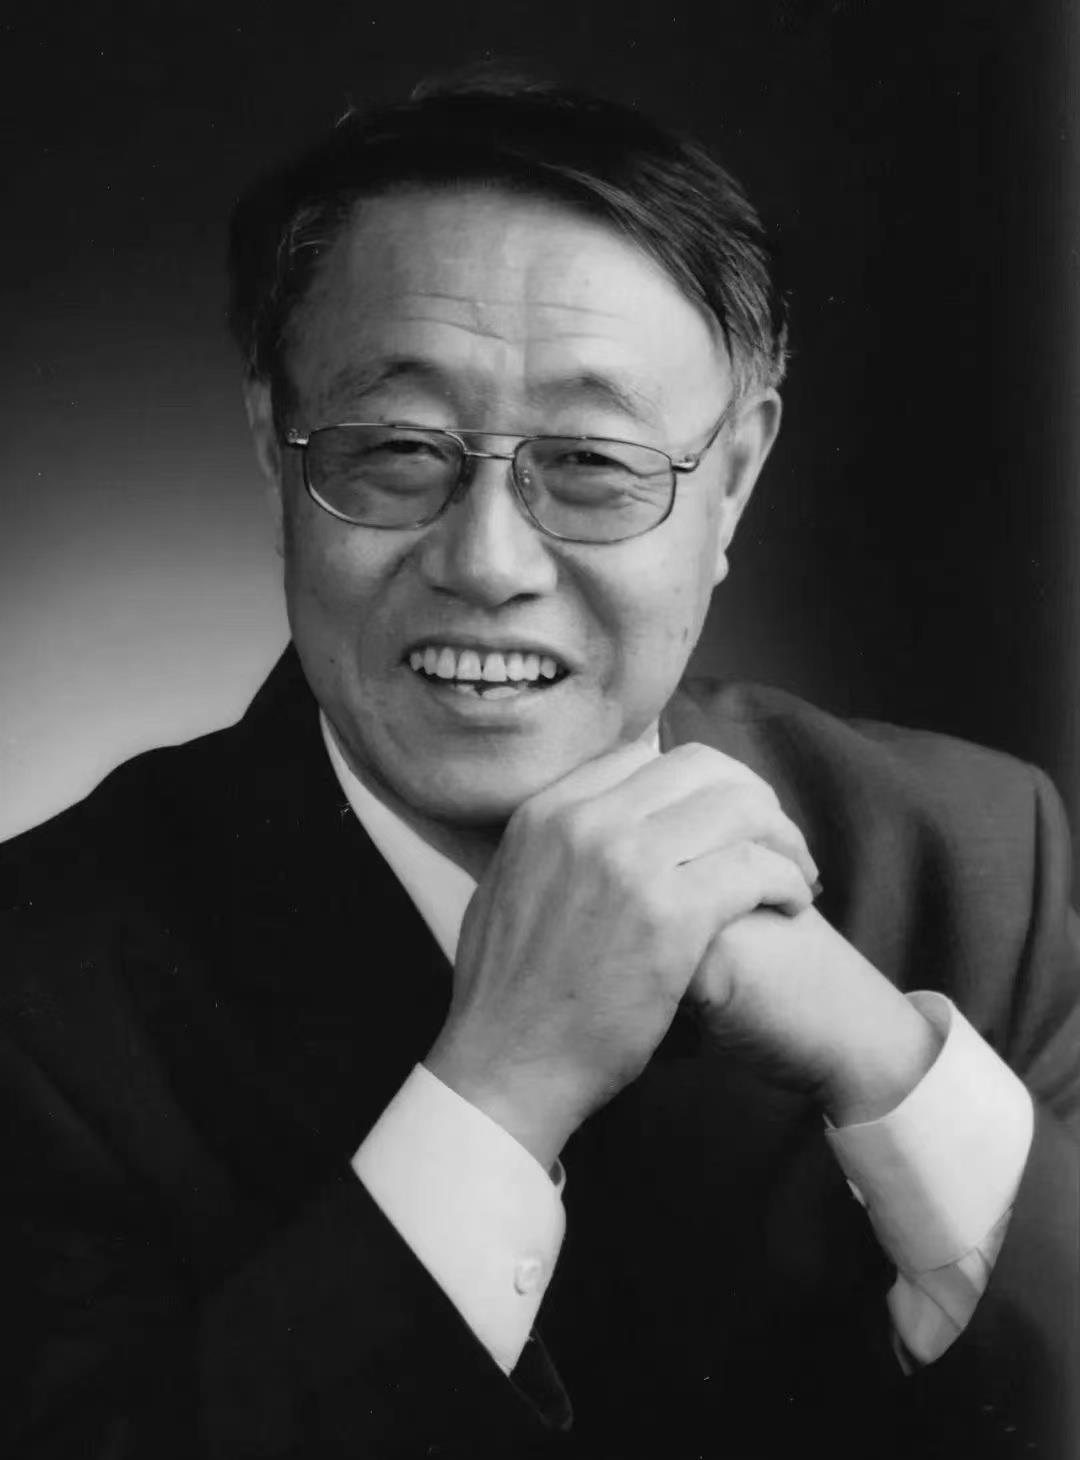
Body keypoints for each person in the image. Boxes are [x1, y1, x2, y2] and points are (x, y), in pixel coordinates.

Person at [2, 75, 1077, 1460]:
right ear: (275, 449)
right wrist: (504, 1081)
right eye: (397, 451)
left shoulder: (973, 859)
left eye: (590, 462)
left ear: (734, 481)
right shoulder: (39, 985)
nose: (489, 561)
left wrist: (891, 1065)